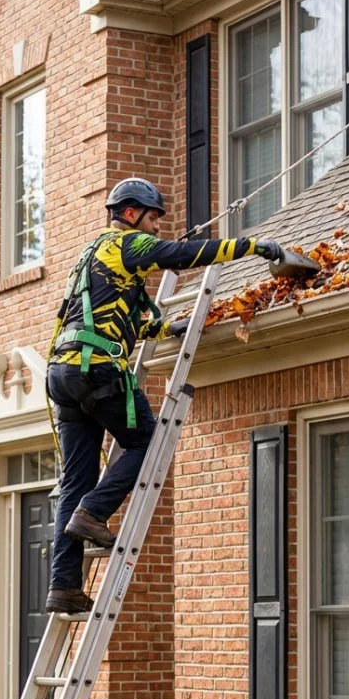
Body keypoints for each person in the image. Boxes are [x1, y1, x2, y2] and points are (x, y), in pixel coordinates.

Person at [45, 177, 284, 614]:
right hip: (97, 369)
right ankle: (94, 514)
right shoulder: (125, 244)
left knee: (74, 482)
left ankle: (63, 586)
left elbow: (121, 317)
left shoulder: (91, 256)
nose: (156, 228)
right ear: (132, 212)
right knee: (146, 441)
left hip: (63, 372)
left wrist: (164, 329)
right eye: (154, 218)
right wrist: (254, 246)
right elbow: (181, 255)